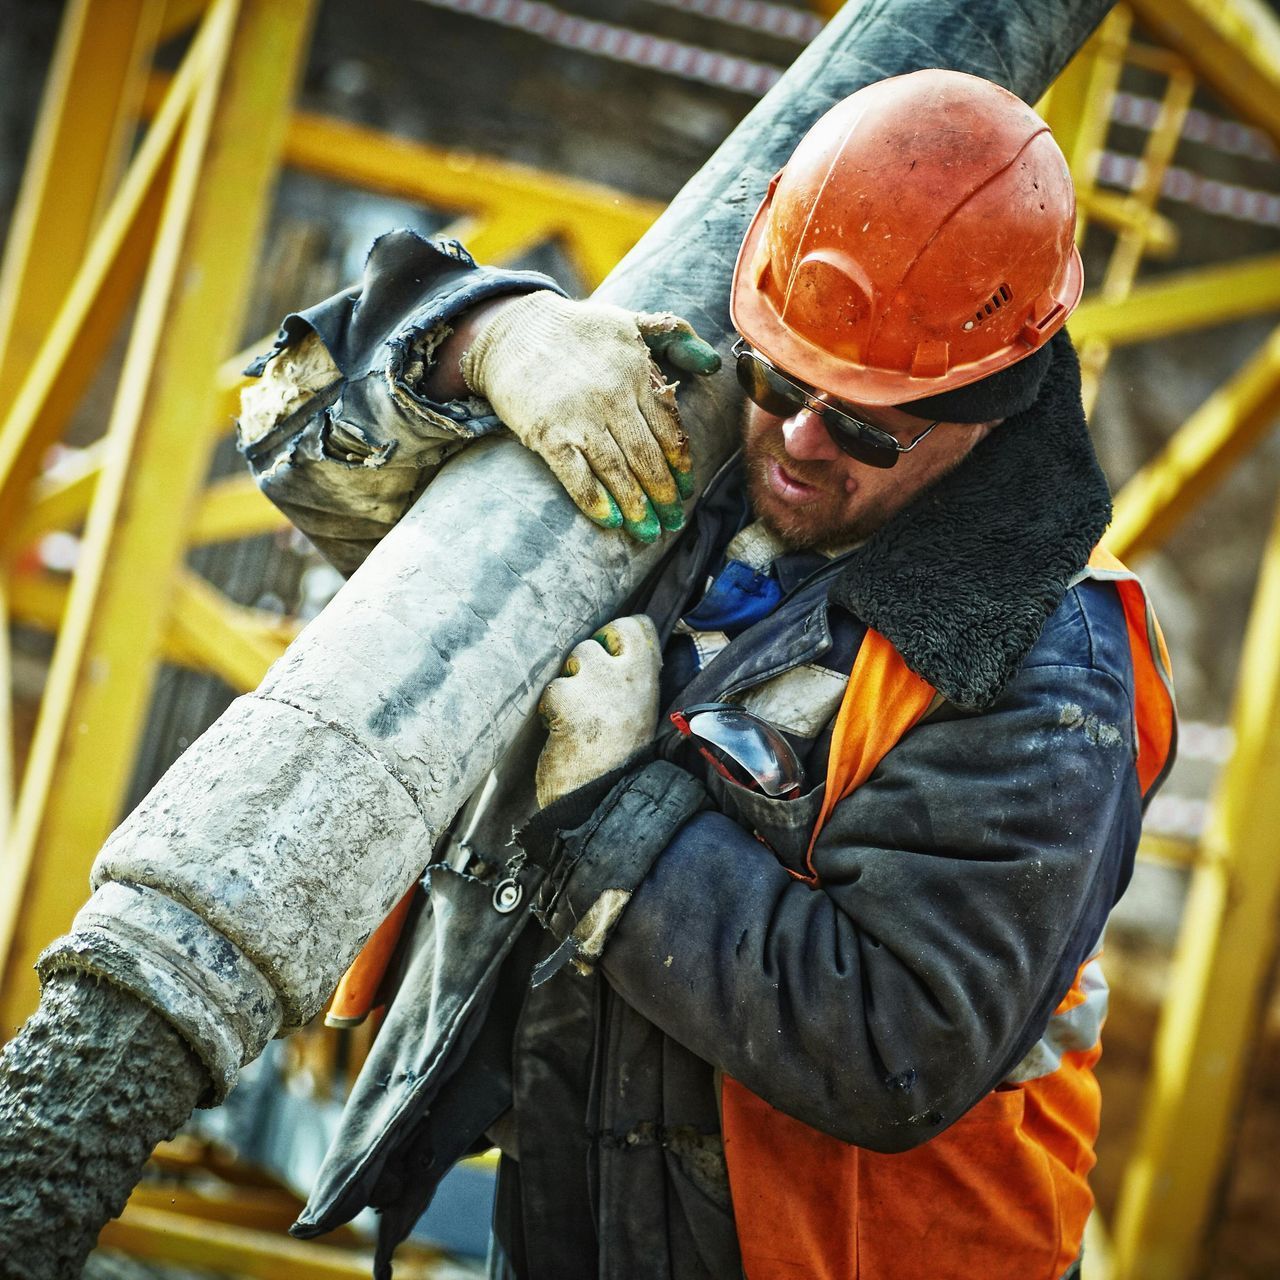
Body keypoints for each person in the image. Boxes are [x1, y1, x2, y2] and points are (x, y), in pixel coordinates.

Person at [239, 70, 1175, 1280]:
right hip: (579, 1214)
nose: (798, 442)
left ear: (988, 408)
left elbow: (894, 1041)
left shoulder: (1048, 670)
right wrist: (480, 341)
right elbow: (291, 432)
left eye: (865, 425)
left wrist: (609, 808)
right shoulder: (698, 431)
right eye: (780, 379)